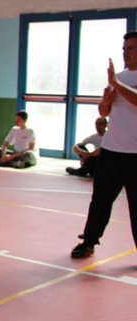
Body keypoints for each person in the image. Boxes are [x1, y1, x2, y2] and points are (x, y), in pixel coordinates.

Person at [71, 31, 137, 259]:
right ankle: (88, 241)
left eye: (131, 48)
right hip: (111, 150)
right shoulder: (119, 77)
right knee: (100, 199)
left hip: (135, 154)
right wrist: (107, 101)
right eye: (124, 49)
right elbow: (104, 112)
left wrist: (117, 86)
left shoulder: (118, 81)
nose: (126, 53)